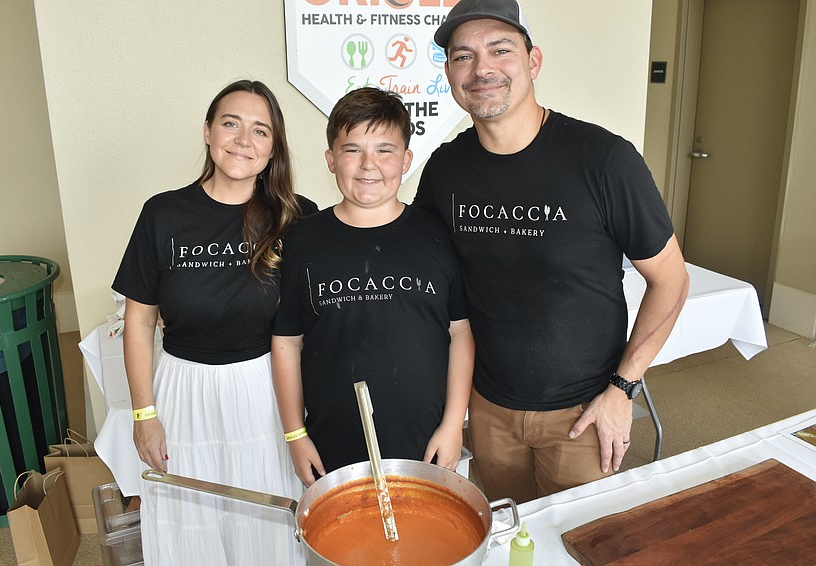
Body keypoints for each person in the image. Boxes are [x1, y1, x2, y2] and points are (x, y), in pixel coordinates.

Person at [414, 0, 690, 503]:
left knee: (579, 538)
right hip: (489, 410)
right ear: (450, 74)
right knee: (507, 533)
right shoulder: (445, 170)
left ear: (533, 61)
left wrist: (623, 389)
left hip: (584, 414)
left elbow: (671, 280)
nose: (482, 69)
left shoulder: (604, 160)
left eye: (501, 50)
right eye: (463, 56)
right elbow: (428, 278)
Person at [112, 79, 317, 565]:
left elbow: (314, 322)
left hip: (266, 391)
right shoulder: (163, 213)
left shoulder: (297, 217)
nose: (244, 140)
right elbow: (139, 321)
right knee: (191, 523)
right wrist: (144, 415)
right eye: (231, 124)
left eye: (260, 130)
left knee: (266, 519)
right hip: (183, 389)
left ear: (273, 148)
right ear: (208, 132)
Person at [272, 87, 474, 486]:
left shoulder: (436, 233)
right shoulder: (303, 239)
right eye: (352, 150)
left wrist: (454, 425)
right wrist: (295, 435)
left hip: (426, 441)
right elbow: (286, 343)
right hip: (331, 443)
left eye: (385, 150)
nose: (369, 165)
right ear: (331, 159)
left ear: (406, 160)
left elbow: (460, 333)